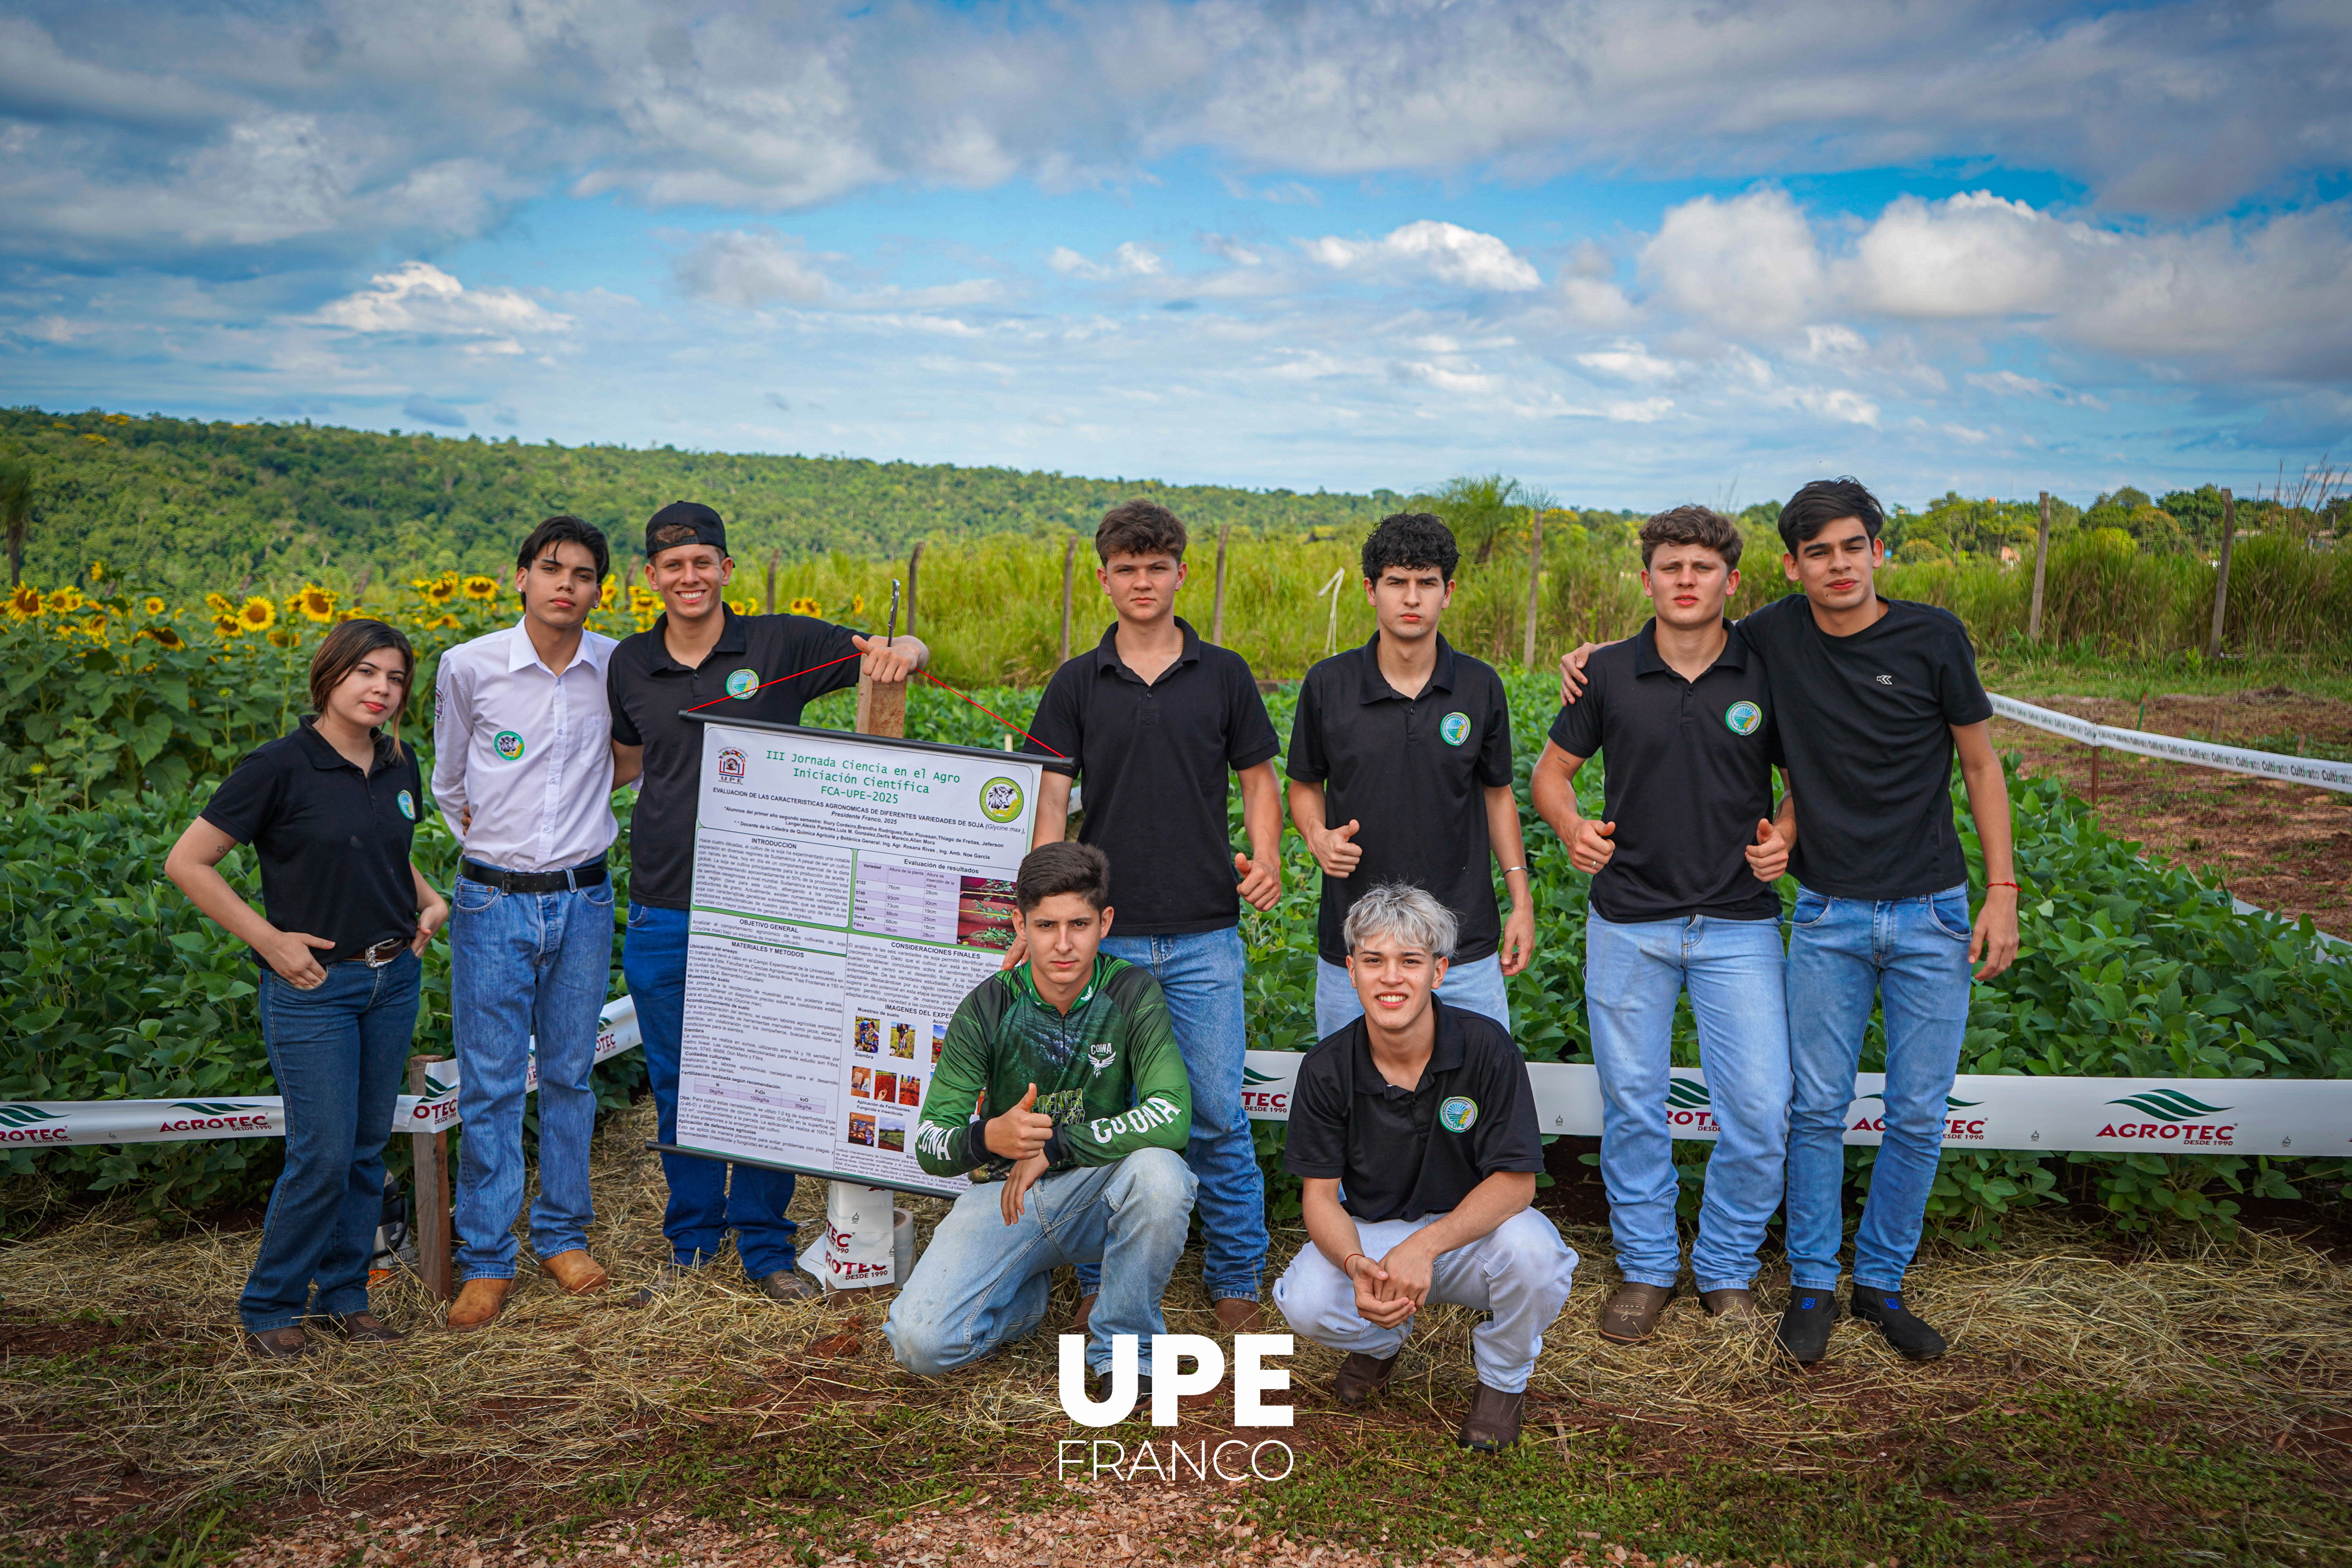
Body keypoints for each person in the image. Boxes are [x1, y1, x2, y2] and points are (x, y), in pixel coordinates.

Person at [1560, 477, 2019, 1365]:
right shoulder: (1768, 635)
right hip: (1824, 913)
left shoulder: (1928, 637)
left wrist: (2001, 888)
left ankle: (1877, 1281)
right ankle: (1808, 1280)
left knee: (1911, 1113)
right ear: (1790, 566)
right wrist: (1592, 658)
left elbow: (1979, 765)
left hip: (1925, 905)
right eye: (1819, 552)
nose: (1838, 565)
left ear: (1878, 550)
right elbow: (1657, 647)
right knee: (1808, 1109)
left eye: (1853, 546)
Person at [607, 501, 929, 1303]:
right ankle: (690, 1237)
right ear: (651, 576)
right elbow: (627, 756)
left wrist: (910, 649)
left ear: (725, 569)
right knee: (678, 1077)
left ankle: (763, 1243)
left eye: (703, 561)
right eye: (673, 564)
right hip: (665, 903)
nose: (690, 576)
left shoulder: (781, 641)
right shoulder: (630, 663)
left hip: (765, 909)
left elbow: (891, 652)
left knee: (768, 1075)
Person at [1529, 506, 1794, 1344]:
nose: (1687, 580)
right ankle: (1647, 1266)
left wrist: (1785, 833)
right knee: (1635, 1103)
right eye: (1671, 566)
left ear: (1732, 582)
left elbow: (1811, 777)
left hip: (1739, 924)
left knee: (1760, 1107)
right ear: (1646, 579)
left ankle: (1724, 1267)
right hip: (1628, 921)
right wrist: (1573, 828)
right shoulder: (1606, 673)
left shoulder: (1769, 669)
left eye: (1704, 567)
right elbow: (1551, 776)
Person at [1020, 499, 1283, 1336]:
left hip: (1206, 930)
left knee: (1213, 1110)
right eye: (1126, 568)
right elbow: (1051, 800)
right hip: (1111, 935)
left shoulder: (1225, 673)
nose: (1142, 580)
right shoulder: (1075, 681)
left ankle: (1236, 1271)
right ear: (1106, 578)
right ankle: (1106, 1277)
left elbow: (1258, 779)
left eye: (1157, 566)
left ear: (1179, 573)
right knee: (1107, 1113)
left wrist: (1267, 856)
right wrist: (1042, 913)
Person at [165, 619, 450, 1358]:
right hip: (314, 986)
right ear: (329, 676)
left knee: (362, 1151)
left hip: (393, 981)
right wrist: (269, 939)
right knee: (322, 1154)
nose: (381, 689)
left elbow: (383, 852)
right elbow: (188, 863)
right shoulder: (279, 767)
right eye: (366, 673)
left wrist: (428, 899)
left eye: (394, 678)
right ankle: (270, 1307)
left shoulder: (398, 764)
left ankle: (346, 1298)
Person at [1271, 883, 1574, 1452]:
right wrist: (1359, 1263)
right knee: (1304, 1299)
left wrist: (1427, 1247)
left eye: (1410, 961)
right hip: (1377, 1238)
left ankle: (1502, 1384)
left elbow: (1516, 1184)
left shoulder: (1486, 1046)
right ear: (1352, 971)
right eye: (1374, 961)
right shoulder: (1326, 1067)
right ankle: (1382, 1342)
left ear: (1438, 972)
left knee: (1539, 1258)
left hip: (1470, 1234)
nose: (1391, 978)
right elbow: (1319, 1198)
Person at [885, 842, 1198, 1387]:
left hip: (1094, 1190)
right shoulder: (988, 1004)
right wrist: (989, 1137)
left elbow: (1170, 1116)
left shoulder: (1131, 992)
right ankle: (1026, 1304)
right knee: (920, 1346)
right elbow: (931, 1142)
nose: (1062, 944)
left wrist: (1057, 1146)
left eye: (1079, 924)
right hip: (1004, 1200)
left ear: (1105, 922)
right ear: (1019, 924)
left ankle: (1125, 1354)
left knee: (1162, 1176)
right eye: (1045, 925)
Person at [432, 516, 634, 1332]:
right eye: (552, 568)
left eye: (584, 575)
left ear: (598, 590)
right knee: (487, 1082)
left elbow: (633, 756)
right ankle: (485, 1257)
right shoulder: (470, 666)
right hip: (492, 900)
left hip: (584, 898)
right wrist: (501, 853)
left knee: (569, 1076)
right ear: (520, 576)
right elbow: (450, 780)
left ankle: (561, 1233)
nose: (567, 585)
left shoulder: (618, 666)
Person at [1286, 513, 1533, 1040]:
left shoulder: (1479, 686)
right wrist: (1317, 836)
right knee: (1352, 1103)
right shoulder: (1328, 685)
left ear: (1449, 592)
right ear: (1372, 591)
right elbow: (1304, 784)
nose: (1412, 598)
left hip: (1462, 950)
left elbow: (1497, 796)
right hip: (1357, 949)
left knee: (1478, 1097)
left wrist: (1523, 901)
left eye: (1427, 583)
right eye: (1398, 582)